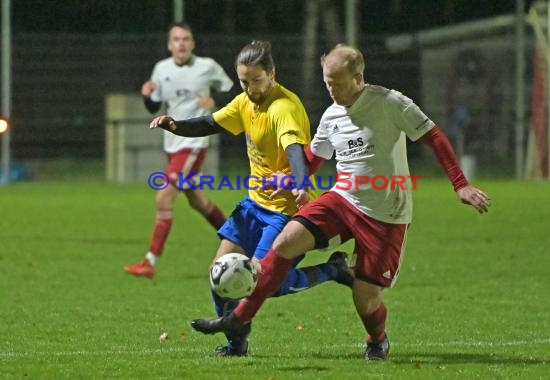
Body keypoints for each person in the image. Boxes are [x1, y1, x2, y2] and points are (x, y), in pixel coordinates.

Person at [190, 44, 491, 360]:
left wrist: (460, 184)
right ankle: (239, 320)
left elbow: (434, 136)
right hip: (343, 201)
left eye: (337, 82)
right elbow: (314, 157)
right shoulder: (332, 115)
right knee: (285, 243)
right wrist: (290, 178)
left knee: (366, 299)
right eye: (326, 82)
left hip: (386, 215)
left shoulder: (390, 103)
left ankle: (377, 339)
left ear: (358, 77)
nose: (330, 89)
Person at [149, 40, 354, 356]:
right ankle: (236, 344)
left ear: (272, 73)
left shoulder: (283, 107)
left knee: (259, 283)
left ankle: (332, 270)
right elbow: (211, 122)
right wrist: (175, 125)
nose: (249, 88)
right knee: (219, 273)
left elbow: (295, 149)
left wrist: (300, 183)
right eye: (243, 81)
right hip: (253, 205)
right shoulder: (245, 102)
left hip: (284, 212)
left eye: (255, 80)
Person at [124, 23, 235, 279]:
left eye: (186, 39)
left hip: (194, 143)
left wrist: (215, 101)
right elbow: (154, 107)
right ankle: (239, 241)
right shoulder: (161, 69)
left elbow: (233, 90)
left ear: (193, 43)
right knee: (198, 201)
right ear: (169, 44)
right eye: (176, 39)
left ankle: (150, 261)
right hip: (172, 146)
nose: (181, 44)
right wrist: (147, 96)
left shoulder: (207, 66)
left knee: (164, 197)